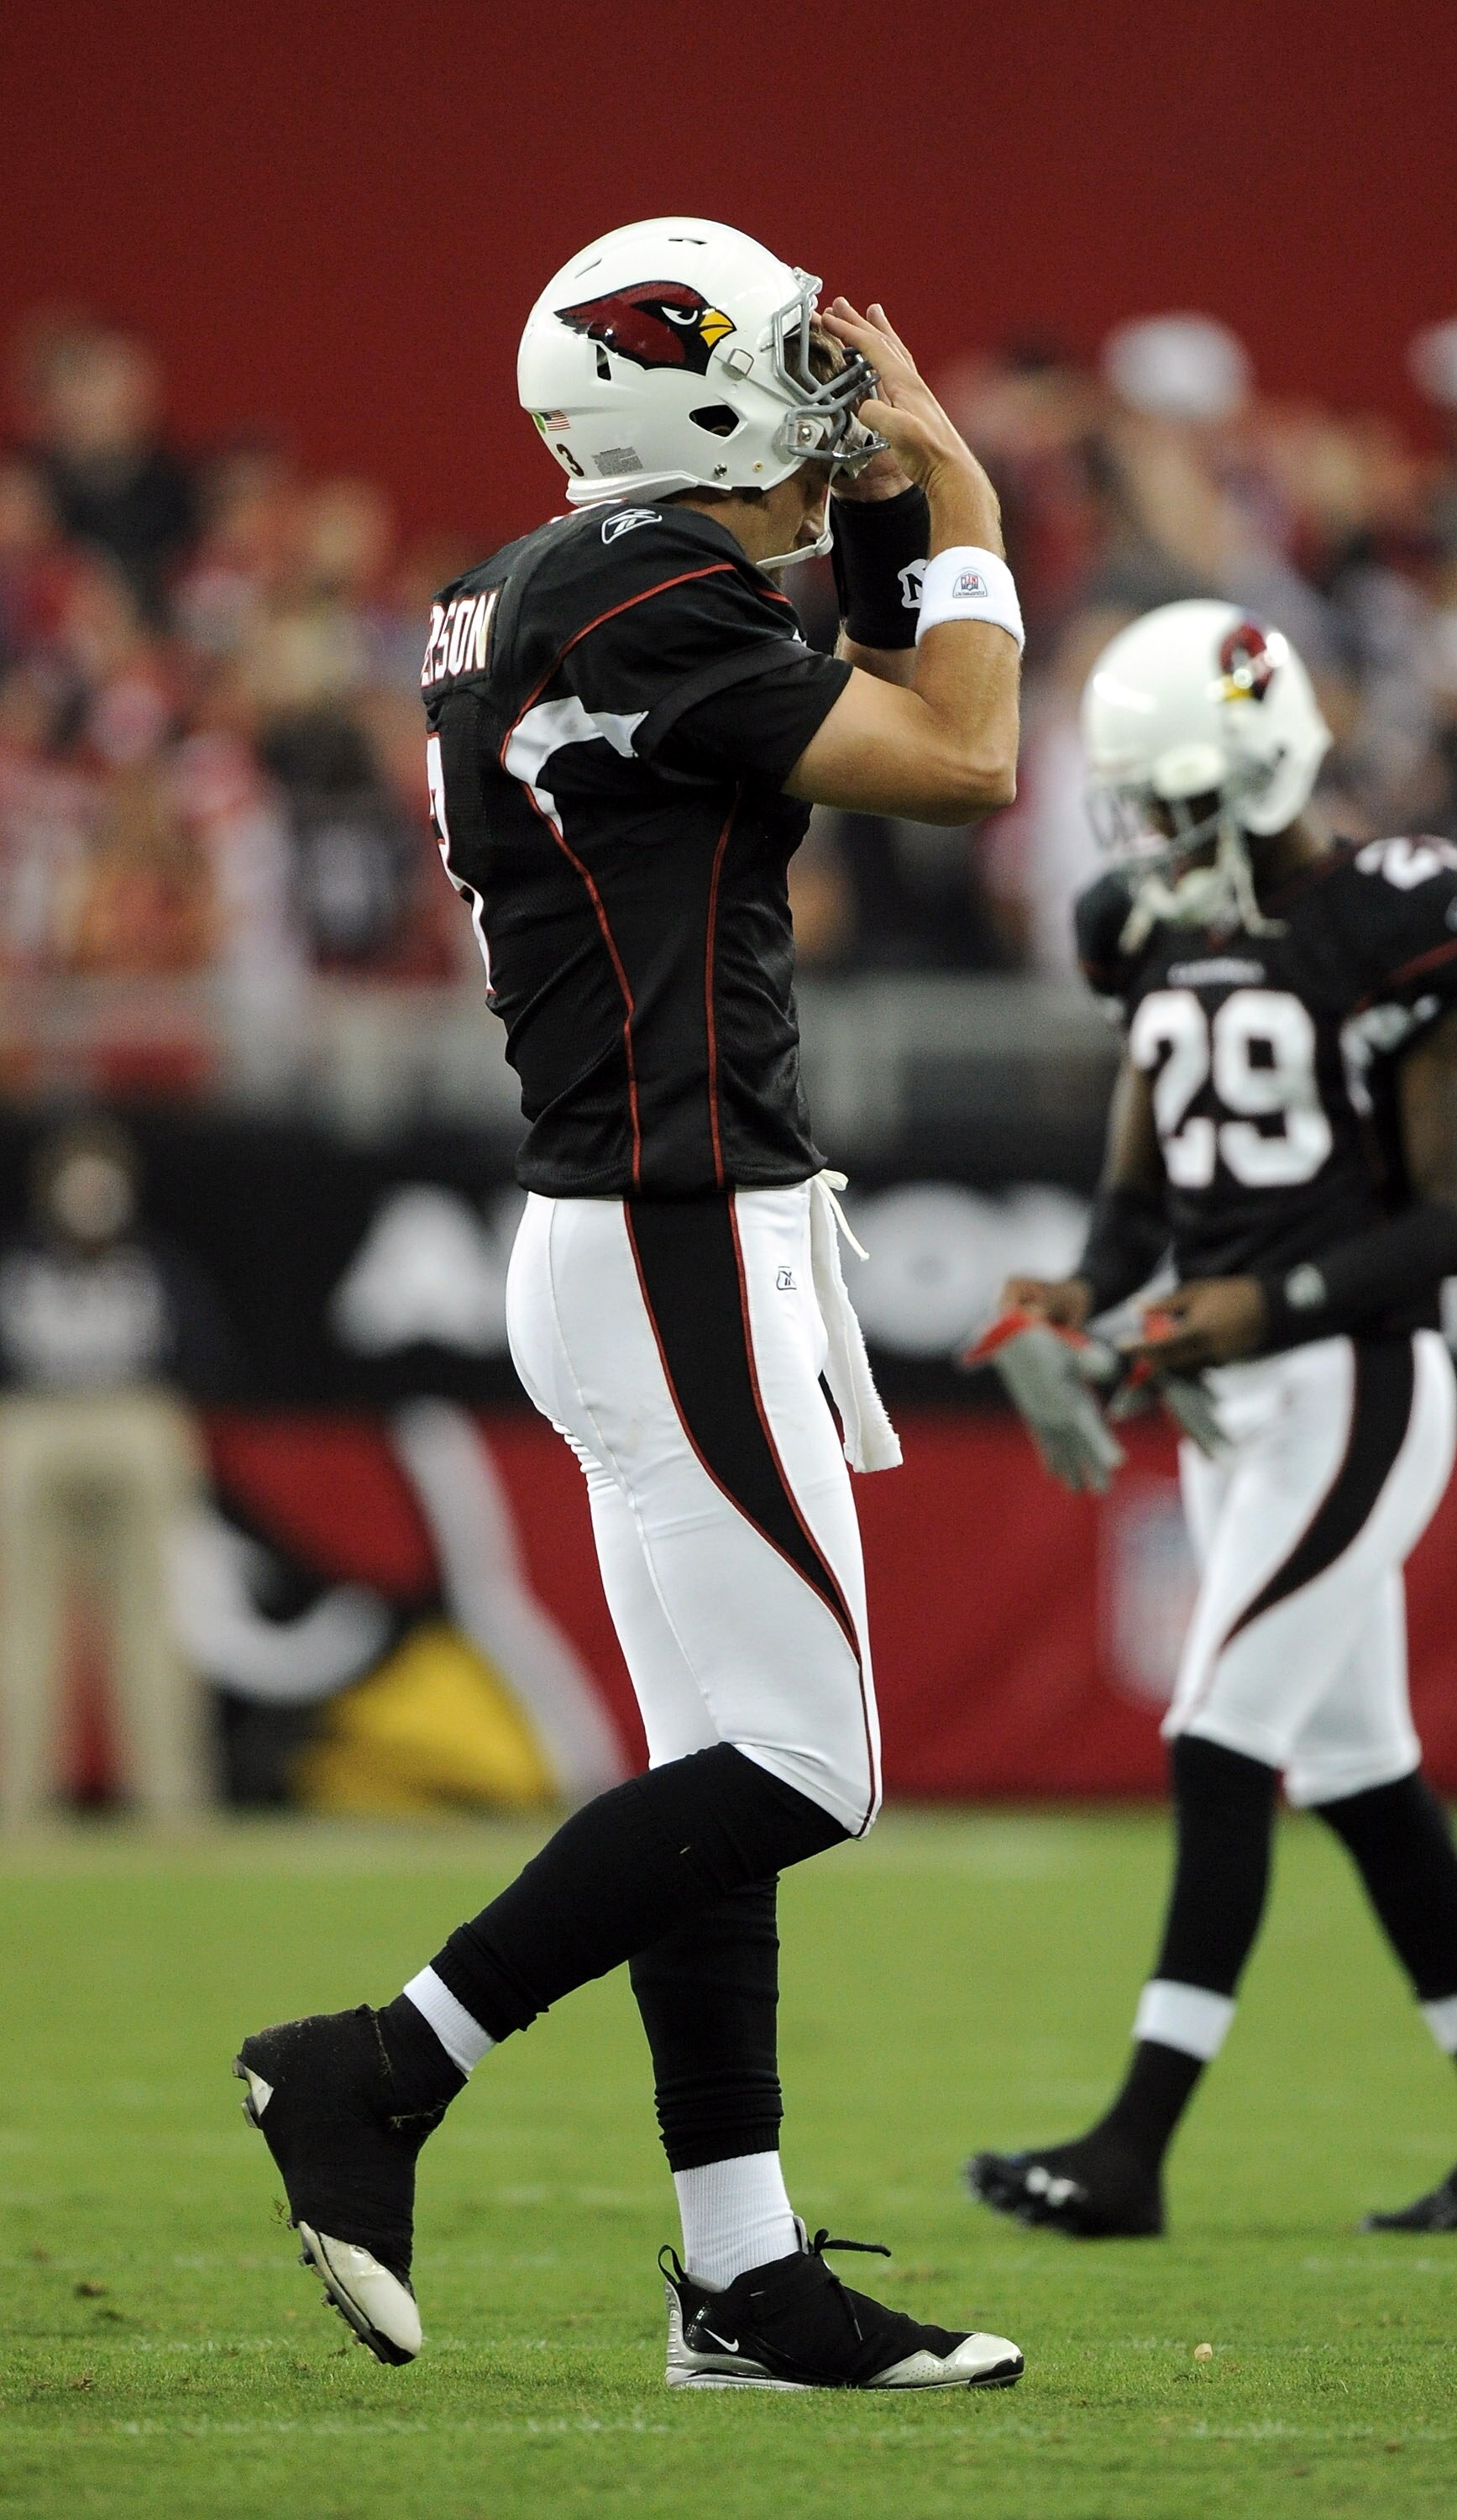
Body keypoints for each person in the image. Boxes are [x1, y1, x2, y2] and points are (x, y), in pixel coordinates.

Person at [233, 219, 1026, 2391]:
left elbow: (853, 705)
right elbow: (957, 761)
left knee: (719, 1762)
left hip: (630, 1225)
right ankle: (377, 2066)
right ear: (675, 397)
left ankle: (739, 2278)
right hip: (676, 1220)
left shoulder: (560, 587)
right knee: (805, 1759)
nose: (822, 390)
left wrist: (871, 512)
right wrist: (949, 496)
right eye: (776, 363)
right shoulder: (629, 594)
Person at [965, 598, 1457, 2238]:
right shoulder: (1149, 926)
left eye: (1170, 800)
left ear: (1252, 767)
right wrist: (1079, 1292)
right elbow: (1143, 1179)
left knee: (1213, 1737)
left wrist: (1266, 1303)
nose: (1146, 838)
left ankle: (1130, 2151)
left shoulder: (1401, 914)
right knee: (1363, 1775)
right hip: (1235, 1401)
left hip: (1360, 1381)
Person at [0, 1116, 228, 1821]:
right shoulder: (21, 1269)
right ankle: (17, 1803)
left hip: (131, 1417)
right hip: (38, 1421)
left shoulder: (155, 1268)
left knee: (153, 1619)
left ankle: (170, 1801)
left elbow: (205, 1360)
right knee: (23, 1624)